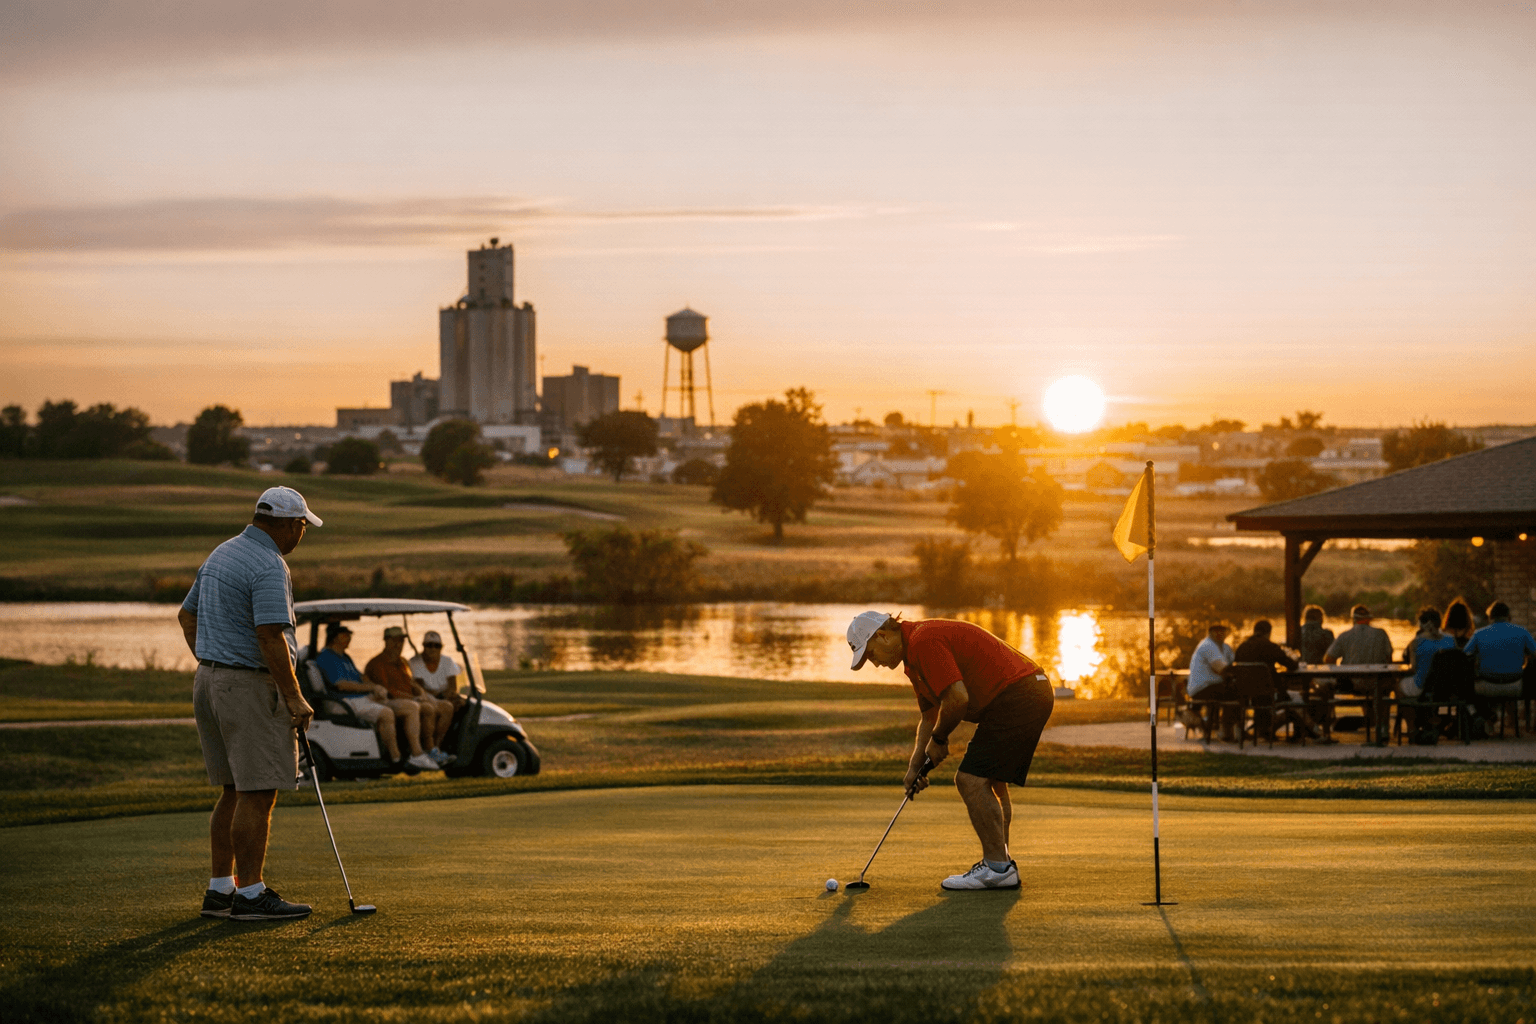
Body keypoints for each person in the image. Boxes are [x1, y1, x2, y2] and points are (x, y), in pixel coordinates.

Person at [177, 485, 320, 922]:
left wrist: (212, 661)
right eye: (301, 526)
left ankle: (221, 890)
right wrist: (294, 696)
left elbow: (187, 616)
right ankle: (252, 895)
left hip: (210, 681)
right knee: (257, 792)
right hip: (248, 687)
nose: (302, 534)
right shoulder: (267, 564)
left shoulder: (223, 552)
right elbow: (270, 634)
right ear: (286, 525)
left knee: (233, 790)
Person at [847, 611, 1054, 891]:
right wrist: (914, 767)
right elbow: (930, 717)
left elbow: (957, 698)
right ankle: (1001, 863)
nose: (875, 663)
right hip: (1025, 692)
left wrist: (940, 740)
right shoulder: (913, 656)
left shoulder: (923, 642)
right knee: (991, 782)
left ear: (882, 635)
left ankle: (998, 868)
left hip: (1019, 695)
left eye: (871, 655)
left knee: (969, 780)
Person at [314, 623, 437, 771]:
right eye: (345, 635)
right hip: (345, 700)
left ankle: (417, 754)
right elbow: (342, 685)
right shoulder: (327, 657)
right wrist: (373, 687)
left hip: (361, 699)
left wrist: (376, 688)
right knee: (387, 713)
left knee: (413, 707)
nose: (349, 638)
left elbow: (361, 677)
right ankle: (397, 759)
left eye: (349, 635)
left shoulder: (344, 657)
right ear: (335, 637)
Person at [366, 627, 450, 766]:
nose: (398, 644)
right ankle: (418, 752)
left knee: (445, 707)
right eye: (394, 641)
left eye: (401, 641)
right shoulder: (377, 663)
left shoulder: (402, 662)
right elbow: (388, 691)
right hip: (387, 701)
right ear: (386, 641)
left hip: (407, 699)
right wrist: (414, 698)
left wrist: (420, 692)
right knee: (425, 708)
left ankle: (434, 748)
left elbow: (410, 683)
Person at [1233, 619, 1321, 742]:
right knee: (1296, 698)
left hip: (1246, 693)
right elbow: (1292, 665)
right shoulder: (1269, 646)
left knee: (1289, 700)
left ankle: (1266, 729)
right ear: (1269, 632)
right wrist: (1293, 658)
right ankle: (1313, 731)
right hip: (1268, 692)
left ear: (1254, 631)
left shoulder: (1241, 648)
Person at [1324, 604, 1396, 741]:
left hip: (1353, 684)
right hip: (1377, 683)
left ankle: (1327, 731)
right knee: (1384, 686)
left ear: (1353, 620)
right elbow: (1388, 659)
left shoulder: (1344, 636)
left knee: (1362, 685)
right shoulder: (1381, 634)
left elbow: (1329, 659)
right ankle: (1383, 727)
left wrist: (1340, 674)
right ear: (1369, 619)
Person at [1466, 600, 1536, 714]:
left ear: (1490, 617)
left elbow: (1464, 656)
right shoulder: (1522, 632)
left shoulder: (1479, 633)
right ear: (1509, 616)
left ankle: (1483, 717)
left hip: (1487, 686)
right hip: (1515, 687)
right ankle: (1513, 723)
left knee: (1470, 687)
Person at [1401, 607, 1456, 743]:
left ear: (1424, 624)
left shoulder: (1418, 642)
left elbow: (1412, 667)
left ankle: (1411, 729)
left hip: (1424, 686)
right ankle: (1431, 720)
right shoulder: (1451, 640)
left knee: (1399, 687)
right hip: (1447, 688)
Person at [409, 630, 463, 755]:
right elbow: (419, 688)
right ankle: (434, 748)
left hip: (441, 697)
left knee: (459, 704)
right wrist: (439, 695)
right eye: (429, 645)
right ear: (423, 646)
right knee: (445, 708)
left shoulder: (447, 662)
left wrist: (445, 695)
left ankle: (439, 746)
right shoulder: (415, 662)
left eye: (436, 646)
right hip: (423, 697)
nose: (432, 649)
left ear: (441, 647)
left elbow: (452, 687)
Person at [1185, 622, 1239, 742]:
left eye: (1222, 630)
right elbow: (1220, 668)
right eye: (1216, 631)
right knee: (1236, 694)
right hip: (1202, 687)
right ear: (1210, 633)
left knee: (1237, 690)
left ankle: (1225, 727)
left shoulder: (1225, 647)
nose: (1220, 633)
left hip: (1213, 686)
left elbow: (1234, 663)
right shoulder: (1207, 645)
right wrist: (1239, 672)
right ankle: (1227, 731)